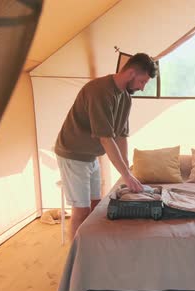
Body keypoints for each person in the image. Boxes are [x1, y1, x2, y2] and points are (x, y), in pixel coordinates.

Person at [54, 53, 157, 238]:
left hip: (91, 156)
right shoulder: (99, 91)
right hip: (72, 155)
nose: (142, 88)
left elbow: (121, 136)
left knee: (96, 206)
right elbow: (106, 139)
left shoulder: (125, 97)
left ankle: (92, 249)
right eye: (142, 82)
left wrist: (128, 171)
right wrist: (126, 176)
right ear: (131, 73)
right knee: (81, 210)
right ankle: (76, 259)